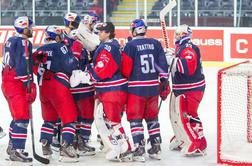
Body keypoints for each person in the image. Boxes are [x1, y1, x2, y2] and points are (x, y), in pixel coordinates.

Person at [70, 22, 131, 161]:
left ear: (108, 33)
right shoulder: (112, 45)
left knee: (113, 121)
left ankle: (125, 146)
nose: (99, 34)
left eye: (102, 31)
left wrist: (86, 76)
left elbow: (102, 69)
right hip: (114, 88)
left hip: (112, 89)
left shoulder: (107, 47)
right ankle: (117, 145)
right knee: (108, 120)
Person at [121, 19, 170, 162]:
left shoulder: (130, 45)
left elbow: (125, 70)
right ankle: (156, 146)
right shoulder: (155, 43)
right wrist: (164, 83)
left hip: (136, 88)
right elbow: (162, 67)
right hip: (153, 88)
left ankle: (139, 148)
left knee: (135, 119)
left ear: (134, 30)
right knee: (152, 118)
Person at [32, 26, 79, 162]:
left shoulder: (39, 50)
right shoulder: (60, 47)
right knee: (69, 118)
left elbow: (35, 69)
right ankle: (66, 149)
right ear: (57, 36)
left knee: (49, 120)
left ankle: (46, 145)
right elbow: (70, 65)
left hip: (43, 88)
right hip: (58, 86)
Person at [166, 24, 207, 156]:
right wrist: (173, 56)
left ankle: (196, 143)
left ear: (182, 34)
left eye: (177, 34)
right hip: (186, 88)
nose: (175, 37)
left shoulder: (188, 48)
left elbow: (188, 68)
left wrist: (172, 60)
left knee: (187, 115)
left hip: (191, 88)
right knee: (184, 114)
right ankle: (184, 138)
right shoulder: (182, 48)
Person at [1, 16, 36, 162]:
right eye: (31, 26)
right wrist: (28, 83)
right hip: (16, 83)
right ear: (24, 27)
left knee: (17, 117)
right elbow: (22, 66)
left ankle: (12, 146)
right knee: (22, 118)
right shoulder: (24, 42)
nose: (32, 29)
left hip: (7, 82)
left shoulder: (11, 39)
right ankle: (17, 150)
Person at [67, 13, 100, 156]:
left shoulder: (86, 37)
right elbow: (76, 62)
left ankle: (76, 141)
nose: (95, 25)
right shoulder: (79, 39)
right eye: (93, 22)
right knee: (85, 115)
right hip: (81, 83)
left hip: (79, 82)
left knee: (79, 115)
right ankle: (81, 142)